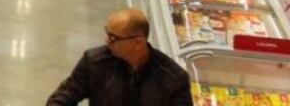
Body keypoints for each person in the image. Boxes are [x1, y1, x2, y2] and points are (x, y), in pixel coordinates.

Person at [46, 9, 191, 106]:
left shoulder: (174, 79)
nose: (107, 41)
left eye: (113, 38)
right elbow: (64, 97)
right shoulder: (94, 62)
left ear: (137, 43)